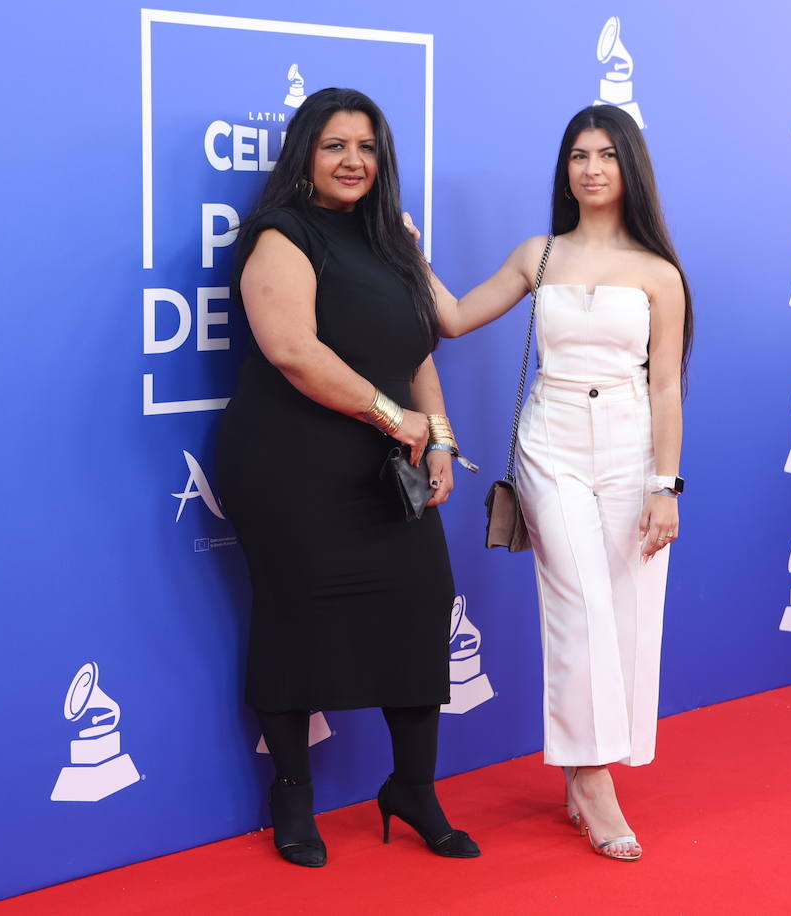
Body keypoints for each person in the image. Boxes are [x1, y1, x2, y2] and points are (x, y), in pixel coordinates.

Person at [412, 105, 692, 862]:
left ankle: (585, 767)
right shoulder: (539, 253)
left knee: (628, 607)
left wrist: (666, 484)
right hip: (552, 442)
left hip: (633, 447)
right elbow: (457, 316)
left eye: (605, 154)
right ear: (565, 169)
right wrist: (405, 253)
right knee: (578, 602)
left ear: (629, 167)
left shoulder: (660, 273)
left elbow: (666, 387)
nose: (591, 168)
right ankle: (593, 778)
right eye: (578, 155)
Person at [216, 87, 480, 868]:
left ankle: (413, 789)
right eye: (335, 145)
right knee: (298, 616)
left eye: (366, 147)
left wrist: (437, 435)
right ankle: (292, 795)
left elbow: (419, 347)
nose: (353, 161)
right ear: (304, 154)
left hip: (386, 463)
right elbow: (293, 350)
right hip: (288, 462)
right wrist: (392, 420)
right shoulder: (281, 235)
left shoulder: (394, 239)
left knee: (422, 601)